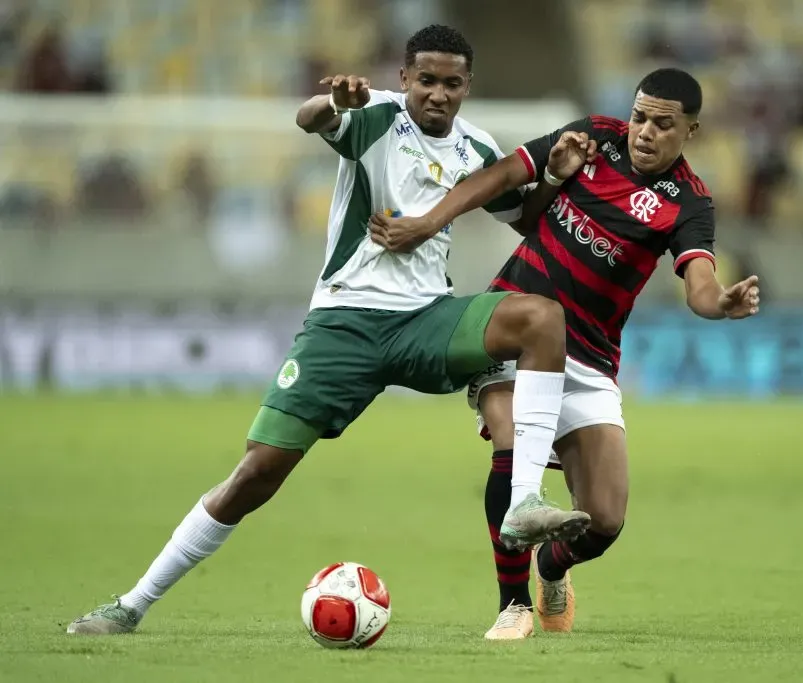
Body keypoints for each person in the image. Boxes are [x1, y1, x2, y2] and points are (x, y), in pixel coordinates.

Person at [66, 24, 589, 636]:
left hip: (428, 319)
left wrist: (551, 179)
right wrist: (333, 103)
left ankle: (524, 501)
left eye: (451, 83)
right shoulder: (375, 117)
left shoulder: (477, 147)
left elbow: (524, 218)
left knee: (540, 317)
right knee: (256, 472)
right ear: (404, 79)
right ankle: (131, 604)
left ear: (467, 86)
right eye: (425, 80)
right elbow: (310, 118)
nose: (437, 94)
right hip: (345, 323)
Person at [369, 68, 761, 640]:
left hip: (588, 360)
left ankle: (553, 568)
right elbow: (502, 175)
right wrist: (429, 223)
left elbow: (699, 282)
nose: (644, 132)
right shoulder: (592, 137)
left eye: (662, 123)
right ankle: (513, 603)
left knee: (604, 520)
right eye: (639, 116)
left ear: (691, 131)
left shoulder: (689, 203)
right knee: (510, 437)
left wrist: (719, 303)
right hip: (513, 326)